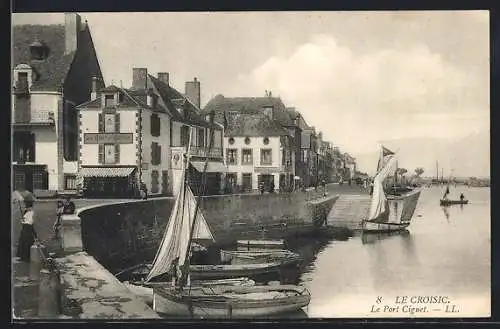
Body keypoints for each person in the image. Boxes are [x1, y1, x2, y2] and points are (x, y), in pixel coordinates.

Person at [16, 197, 37, 262]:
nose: (26, 207)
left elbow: (30, 222)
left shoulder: (31, 212)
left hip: (28, 228)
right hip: (25, 228)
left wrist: (24, 221)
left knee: (27, 242)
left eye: (27, 206)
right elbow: (24, 220)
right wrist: (22, 220)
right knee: (22, 242)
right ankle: (23, 257)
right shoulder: (26, 211)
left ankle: (27, 257)